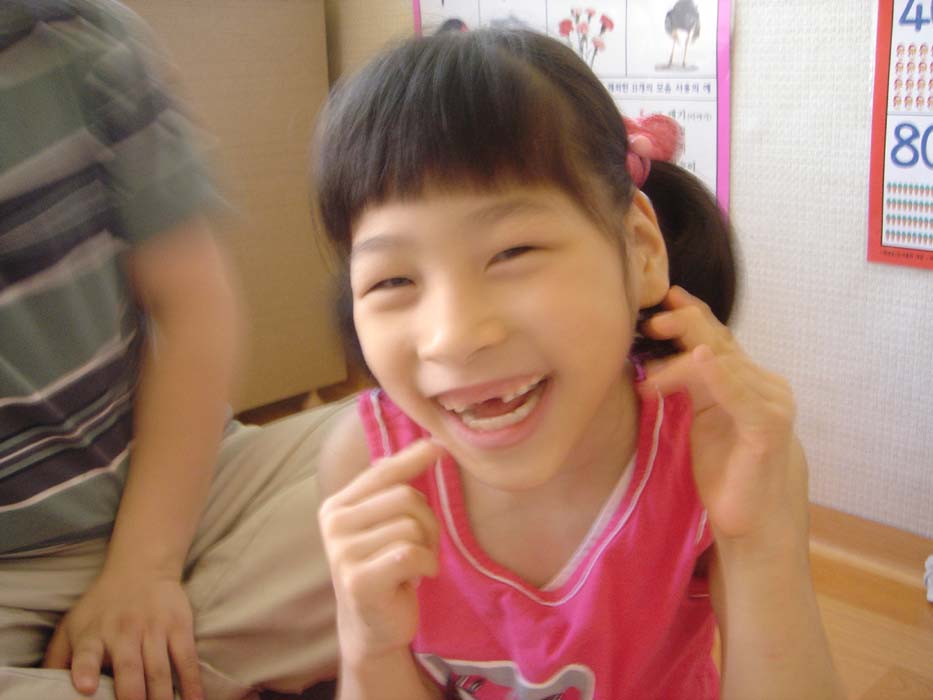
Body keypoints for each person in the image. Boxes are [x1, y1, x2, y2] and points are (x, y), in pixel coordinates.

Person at [311, 29, 846, 699]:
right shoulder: (367, 467)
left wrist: (763, 541)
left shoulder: (718, 452)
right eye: (391, 280)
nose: (452, 338)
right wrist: (367, 644)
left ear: (640, 248)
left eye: (512, 252)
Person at [0, 1, 338, 698]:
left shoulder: (81, 36)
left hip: (177, 490)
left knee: (436, 464)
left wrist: (145, 568)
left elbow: (194, 309)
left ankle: (142, 663)